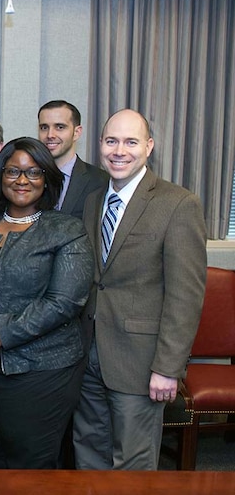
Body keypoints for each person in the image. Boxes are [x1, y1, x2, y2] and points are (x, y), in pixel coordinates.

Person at [74, 109, 207, 470]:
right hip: (89, 355)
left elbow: (186, 296)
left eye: (131, 142)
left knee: (132, 465)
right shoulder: (92, 202)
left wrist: (168, 367)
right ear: (99, 145)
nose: (120, 151)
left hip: (141, 362)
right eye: (111, 141)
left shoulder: (177, 204)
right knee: (89, 455)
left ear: (149, 146)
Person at [0, 137, 93, 469]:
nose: (22, 180)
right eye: (13, 171)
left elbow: (63, 302)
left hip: (40, 370)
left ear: (48, 178)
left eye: (34, 172)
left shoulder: (66, 230)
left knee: (30, 465)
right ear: (0, 176)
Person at [37, 100, 108, 218]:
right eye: (44, 127)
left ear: (76, 132)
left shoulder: (101, 181)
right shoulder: (28, 179)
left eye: (59, 127)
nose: (50, 135)